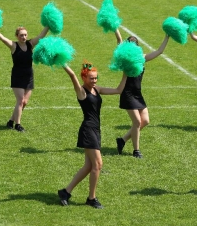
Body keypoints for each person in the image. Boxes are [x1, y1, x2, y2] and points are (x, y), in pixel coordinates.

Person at [58, 63, 126, 208]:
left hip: (96, 130)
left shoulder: (97, 89)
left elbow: (119, 90)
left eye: (95, 78)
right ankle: (91, 198)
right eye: (91, 78)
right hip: (88, 130)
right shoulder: (81, 92)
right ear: (84, 78)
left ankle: (65, 192)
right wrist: (61, 61)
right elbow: (72, 75)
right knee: (98, 164)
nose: (94, 81)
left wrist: (126, 71)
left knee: (88, 166)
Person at [114, 30, 170, 158]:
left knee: (145, 121)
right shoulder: (125, 58)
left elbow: (159, 51)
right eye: (130, 44)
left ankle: (122, 140)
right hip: (127, 93)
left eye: (135, 44)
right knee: (137, 122)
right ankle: (136, 151)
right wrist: (115, 29)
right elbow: (119, 42)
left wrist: (167, 36)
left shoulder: (142, 58)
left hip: (137, 94)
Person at [0, 26, 49, 132]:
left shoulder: (30, 44)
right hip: (17, 76)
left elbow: (41, 36)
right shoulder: (13, 46)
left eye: (25, 35)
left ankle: (11, 121)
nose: (23, 37)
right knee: (20, 101)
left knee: (24, 102)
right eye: (21, 35)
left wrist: (48, 25)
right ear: (17, 36)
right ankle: (18, 125)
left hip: (29, 76)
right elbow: (3, 39)